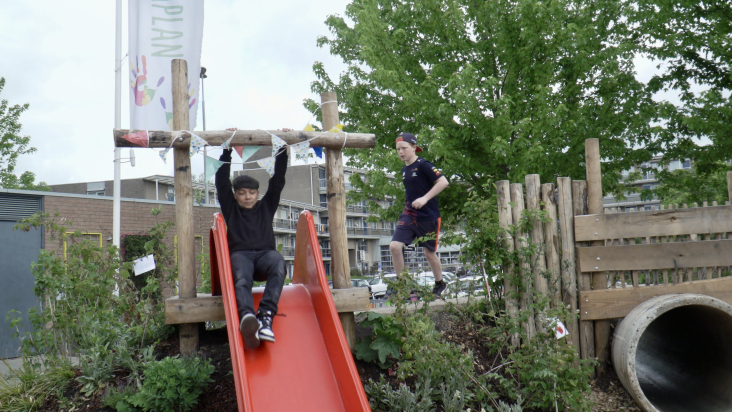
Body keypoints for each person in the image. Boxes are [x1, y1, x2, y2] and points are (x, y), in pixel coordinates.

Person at [215, 131, 289, 349]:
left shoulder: (266, 206)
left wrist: (282, 148)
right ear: (235, 195)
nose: (247, 197)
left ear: (258, 194)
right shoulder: (230, 209)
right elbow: (221, 182)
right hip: (242, 256)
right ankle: (248, 318)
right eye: (242, 193)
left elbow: (277, 180)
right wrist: (227, 149)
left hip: (265, 256)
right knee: (240, 276)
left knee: (278, 262)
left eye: (252, 193)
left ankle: (265, 316)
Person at [390, 132, 450, 296]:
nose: (401, 152)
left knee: (428, 253)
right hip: (410, 214)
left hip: (428, 216)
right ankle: (403, 286)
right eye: (398, 149)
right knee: (394, 246)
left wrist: (424, 198)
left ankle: (439, 284)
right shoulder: (404, 169)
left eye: (404, 148)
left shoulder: (424, 165)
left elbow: (444, 182)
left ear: (414, 148)